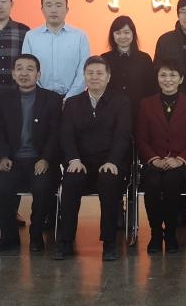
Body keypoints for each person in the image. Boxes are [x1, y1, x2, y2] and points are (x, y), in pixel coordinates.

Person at [54, 56, 133, 261]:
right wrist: (73, 159)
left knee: (109, 182)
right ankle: (65, 241)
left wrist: (113, 161)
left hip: (110, 163)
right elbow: (66, 135)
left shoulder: (121, 102)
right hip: (81, 162)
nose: (94, 77)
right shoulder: (72, 103)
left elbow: (123, 135)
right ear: (84, 76)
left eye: (99, 73)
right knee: (71, 182)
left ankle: (109, 243)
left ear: (108, 77)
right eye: (90, 73)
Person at [0, 54, 63, 253]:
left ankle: (36, 236)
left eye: (30, 69)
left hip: (41, 160)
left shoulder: (52, 99)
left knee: (42, 188)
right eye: (19, 68)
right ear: (13, 74)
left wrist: (45, 159)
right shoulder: (3, 99)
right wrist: (3, 156)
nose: (24, 73)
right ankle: (10, 237)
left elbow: (56, 134)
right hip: (13, 160)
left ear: (38, 74)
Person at [136, 59, 186, 254]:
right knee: (153, 183)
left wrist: (179, 159)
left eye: (173, 75)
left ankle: (171, 233)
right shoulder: (146, 104)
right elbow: (141, 138)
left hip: (182, 164)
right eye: (163, 75)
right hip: (153, 162)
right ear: (157, 78)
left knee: (171, 181)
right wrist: (154, 159)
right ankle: (156, 233)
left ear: (181, 79)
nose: (168, 79)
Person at [21, 0, 90, 100]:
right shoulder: (31, 36)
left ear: (67, 10)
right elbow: (28, 68)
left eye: (58, 5)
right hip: (41, 99)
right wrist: (43, 95)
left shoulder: (80, 36)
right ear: (42, 10)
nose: (53, 10)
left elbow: (84, 70)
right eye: (48, 5)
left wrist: (70, 97)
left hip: (74, 99)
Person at [101, 15, 158, 119]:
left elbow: (151, 88)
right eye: (118, 33)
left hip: (139, 113)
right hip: (111, 113)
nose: (122, 36)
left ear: (133, 34)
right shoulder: (105, 59)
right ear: (112, 35)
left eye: (126, 32)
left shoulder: (144, 58)